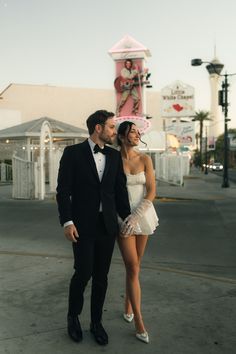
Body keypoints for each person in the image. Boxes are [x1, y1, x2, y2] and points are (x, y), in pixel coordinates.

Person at [56, 110, 131, 346]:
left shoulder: (114, 155)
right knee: (83, 273)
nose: (114, 132)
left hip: (107, 225)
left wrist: (127, 218)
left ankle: (96, 322)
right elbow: (63, 191)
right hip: (81, 225)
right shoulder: (72, 153)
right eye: (111, 127)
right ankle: (73, 318)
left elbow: (119, 191)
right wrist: (67, 221)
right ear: (98, 128)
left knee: (101, 277)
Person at [117, 120, 159, 344]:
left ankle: (127, 305)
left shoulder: (145, 159)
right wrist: (126, 218)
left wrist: (136, 216)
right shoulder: (114, 159)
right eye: (132, 131)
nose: (136, 134)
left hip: (142, 216)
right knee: (132, 266)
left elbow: (151, 191)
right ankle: (139, 322)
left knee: (135, 266)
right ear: (122, 136)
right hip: (122, 220)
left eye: (137, 131)